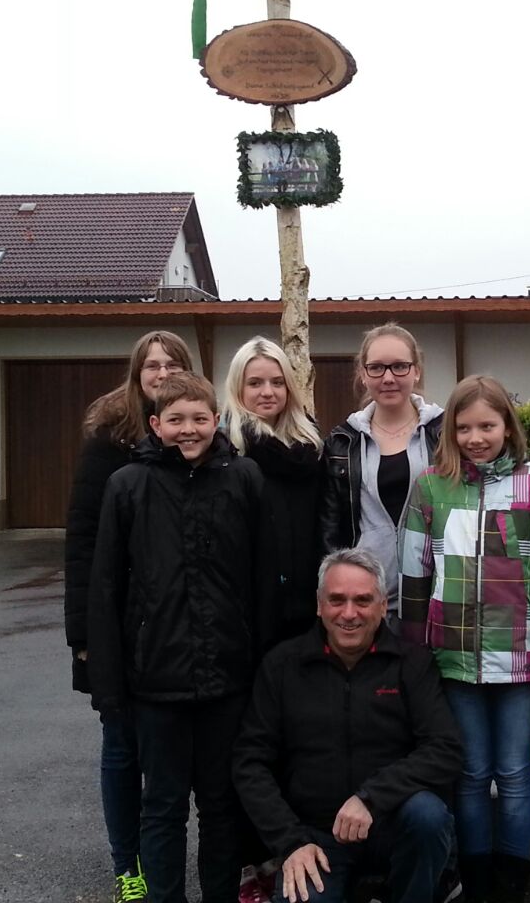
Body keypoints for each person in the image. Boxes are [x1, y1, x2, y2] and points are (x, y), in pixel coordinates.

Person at [87, 371, 271, 903]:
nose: (188, 430)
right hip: (155, 680)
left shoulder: (244, 479)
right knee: (162, 806)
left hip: (228, 679)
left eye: (199, 419)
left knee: (219, 805)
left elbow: (262, 578)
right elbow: (107, 588)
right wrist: (110, 685)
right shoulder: (127, 486)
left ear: (217, 421)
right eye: (175, 420)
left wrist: (260, 667)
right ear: (154, 424)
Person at [400, 374, 530, 903]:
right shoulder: (430, 486)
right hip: (452, 660)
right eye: (465, 426)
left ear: (507, 427)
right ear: (451, 429)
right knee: (472, 774)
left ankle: (511, 881)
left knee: (516, 773)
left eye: (488, 426)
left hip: (519, 660)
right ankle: (476, 881)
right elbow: (413, 574)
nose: (477, 437)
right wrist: (413, 657)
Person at [233, 548, 461, 903]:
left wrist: (370, 799)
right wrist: (290, 842)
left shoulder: (412, 663)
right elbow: (250, 762)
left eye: (363, 600)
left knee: (428, 816)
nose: (349, 613)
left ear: (384, 605)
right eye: (337, 600)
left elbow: (444, 748)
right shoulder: (282, 666)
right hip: (314, 838)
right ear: (319, 605)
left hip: (392, 825)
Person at [64, 329, 192, 903]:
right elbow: (82, 542)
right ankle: (128, 866)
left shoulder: (197, 439)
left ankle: (158, 854)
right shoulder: (108, 442)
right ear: (137, 375)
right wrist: (84, 636)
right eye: (151, 366)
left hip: (179, 634)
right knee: (121, 748)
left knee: (169, 757)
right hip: (116, 629)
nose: (161, 374)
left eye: (172, 364)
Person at [321, 323, 444, 624]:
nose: (388, 377)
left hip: (435, 594)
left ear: (416, 371)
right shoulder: (342, 442)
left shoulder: (444, 433)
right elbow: (330, 529)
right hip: (366, 602)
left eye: (399, 366)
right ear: (363, 375)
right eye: (376, 368)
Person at [225, 336, 324, 645]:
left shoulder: (313, 448)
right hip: (249, 608)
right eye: (255, 383)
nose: (267, 392)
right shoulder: (226, 452)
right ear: (238, 388)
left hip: (309, 603)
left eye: (277, 382)